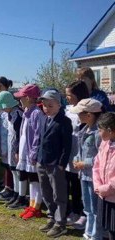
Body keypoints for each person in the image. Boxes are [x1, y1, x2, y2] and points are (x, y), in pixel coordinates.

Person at [37, 90, 72, 238]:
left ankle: (60, 223)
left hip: (55, 164)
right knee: (46, 192)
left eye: (50, 105)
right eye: (44, 105)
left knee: (59, 194)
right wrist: (38, 159)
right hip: (42, 162)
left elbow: (67, 145)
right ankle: (52, 217)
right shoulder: (45, 119)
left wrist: (61, 164)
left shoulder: (64, 121)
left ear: (59, 105)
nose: (46, 108)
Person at [9, 85, 43, 222]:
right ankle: (31, 204)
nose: (19, 100)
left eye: (21, 97)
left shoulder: (36, 113)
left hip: (31, 154)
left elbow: (37, 135)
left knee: (35, 180)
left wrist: (33, 153)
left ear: (28, 98)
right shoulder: (27, 111)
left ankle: (37, 206)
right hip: (25, 152)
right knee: (30, 179)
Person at [70, 98, 104, 240]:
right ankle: (88, 232)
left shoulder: (98, 133)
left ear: (89, 115)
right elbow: (80, 150)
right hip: (83, 175)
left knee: (95, 208)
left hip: (94, 176)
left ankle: (96, 234)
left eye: (80, 113)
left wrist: (85, 163)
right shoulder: (83, 130)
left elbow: (101, 156)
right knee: (87, 206)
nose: (78, 115)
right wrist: (77, 158)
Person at [0, 91, 24, 212]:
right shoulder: (10, 113)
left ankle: (21, 196)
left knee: (18, 173)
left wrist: (17, 150)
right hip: (11, 147)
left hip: (17, 149)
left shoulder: (18, 114)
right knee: (14, 172)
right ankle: (16, 194)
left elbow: (20, 135)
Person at [64, 81, 89, 228]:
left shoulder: (86, 110)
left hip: (82, 153)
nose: (67, 97)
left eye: (69, 94)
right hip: (70, 151)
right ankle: (74, 211)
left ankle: (83, 214)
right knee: (71, 182)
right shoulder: (68, 109)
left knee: (80, 184)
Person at [94, 112, 115, 240]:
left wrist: (106, 189)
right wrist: (98, 185)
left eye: (100, 129)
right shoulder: (104, 143)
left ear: (110, 130)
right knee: (106, 229)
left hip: (112, 196)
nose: (98, 133)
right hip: (104, 196)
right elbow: (96, 164)